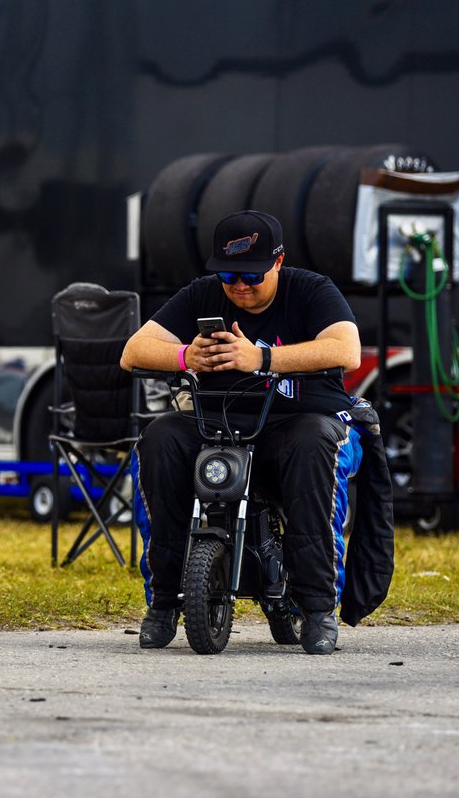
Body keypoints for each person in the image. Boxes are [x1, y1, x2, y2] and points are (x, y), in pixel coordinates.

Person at [119, 210, 362, 655]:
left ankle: (318, 609)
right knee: (159, 438)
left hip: (300, 422)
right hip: (220, 423)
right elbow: (133, 351)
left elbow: (347, 350)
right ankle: (163, 602)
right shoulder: (204, 293)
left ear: (278, 262)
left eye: (251, 276)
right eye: (229, 276)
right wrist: (186, 356)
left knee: (315, 444)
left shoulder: (312, 290)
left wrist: (261, 359)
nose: (240, 286)